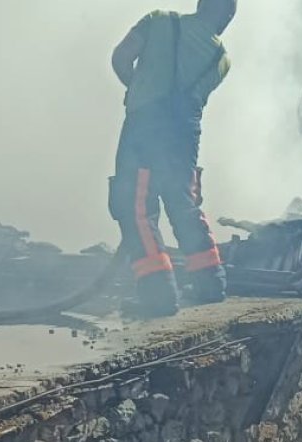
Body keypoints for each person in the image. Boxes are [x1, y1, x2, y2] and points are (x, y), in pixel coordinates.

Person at [108, 0, 237, 318]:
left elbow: (121, 57)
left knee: (137, 207)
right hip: (184, 136)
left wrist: (137, 88)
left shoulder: (158, 20)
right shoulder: (222, 59)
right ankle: (210, 284)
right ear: (227, 17)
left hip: (145, 127)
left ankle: (158, 296)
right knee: (183, 204)